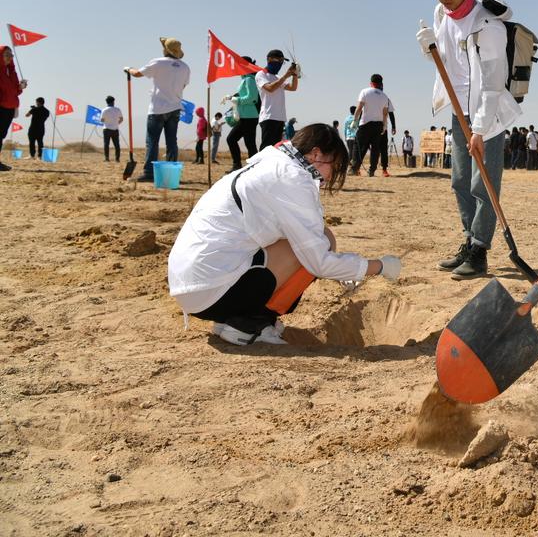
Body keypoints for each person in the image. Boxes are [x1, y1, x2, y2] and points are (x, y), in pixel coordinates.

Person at [168, 123, 404, 345]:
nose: (331, 176)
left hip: (194, 287)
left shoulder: (272, 164)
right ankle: (248, 324)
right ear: (316, 154)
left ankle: (232, 319)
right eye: (335, 166)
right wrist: (380, 266)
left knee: (321, 235)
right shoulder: (293, 179)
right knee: (318, 244)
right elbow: (319, 262)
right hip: (211, 291)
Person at [415, 0, 522, 280]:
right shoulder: (439, 15)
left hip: (486, 115)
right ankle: (468, 240)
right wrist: (428, 47)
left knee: (483, 183)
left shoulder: (487, 24)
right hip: (457, 109)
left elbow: (493, 83)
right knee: (460, 181)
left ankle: (480, 249)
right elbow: (446, 64)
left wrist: (480, 129)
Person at [124, 37, 190, 183]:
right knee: (172, 141)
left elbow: (137, 74)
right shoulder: (185, 67)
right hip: (175, 108)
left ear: (165, 50)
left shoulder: (158, 62)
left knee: (152, 141)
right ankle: (171, 172)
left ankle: (149, 173)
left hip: (158, 108)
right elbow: (183, 86)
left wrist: (128, 69)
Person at [350, 74, 395, 177]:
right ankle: (372, 170)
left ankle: (354, 168)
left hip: (365, 124)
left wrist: (355, 120)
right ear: (381, 84)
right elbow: (385, 113)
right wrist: (384, 126)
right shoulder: (385, 96)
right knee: (375, 149)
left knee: (358, 146)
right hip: (378, 125)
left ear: (371, 83)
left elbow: (359, 107)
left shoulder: (365, 91)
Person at [256, 49, 299, 149]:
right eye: (278, 60)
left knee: (275, 149)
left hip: (280, 118)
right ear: (269, 59)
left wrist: (295, 74)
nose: (280, 63)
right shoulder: (261, 74)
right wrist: (285, 76)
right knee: (267, 148)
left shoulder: (277, 77)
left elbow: (293, 88)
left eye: (282, 62)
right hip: (269, 116)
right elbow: (270, 88)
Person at [223, 59, 260, 170]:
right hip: (246, 116)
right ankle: (248, 167)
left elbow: (252, 98)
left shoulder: (249, 79)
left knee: (234, 140)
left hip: (249, 117)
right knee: (248, 143)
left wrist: (236, 99)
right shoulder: (245, 79)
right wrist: (233, 97)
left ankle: (241, 166)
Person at [0, 46, 28, 171]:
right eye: (6, 54)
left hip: (10, 108)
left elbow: (14, 91)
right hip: (1, 106)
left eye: (11, 55)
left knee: (1, 135)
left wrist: (20, 87)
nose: (9, 57)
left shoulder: (11, 71)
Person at [99, 95, 123, 162]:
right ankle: (117, 159)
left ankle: (107, 158)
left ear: (107, 102)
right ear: (113, 102)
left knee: (106, 144)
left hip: (106, 129)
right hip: (115, 129)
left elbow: (102, 120)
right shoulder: (117, 109)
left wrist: (107, 121)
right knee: (117, 145)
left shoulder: (104, 110)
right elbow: (121, 119)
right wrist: (116, 123)